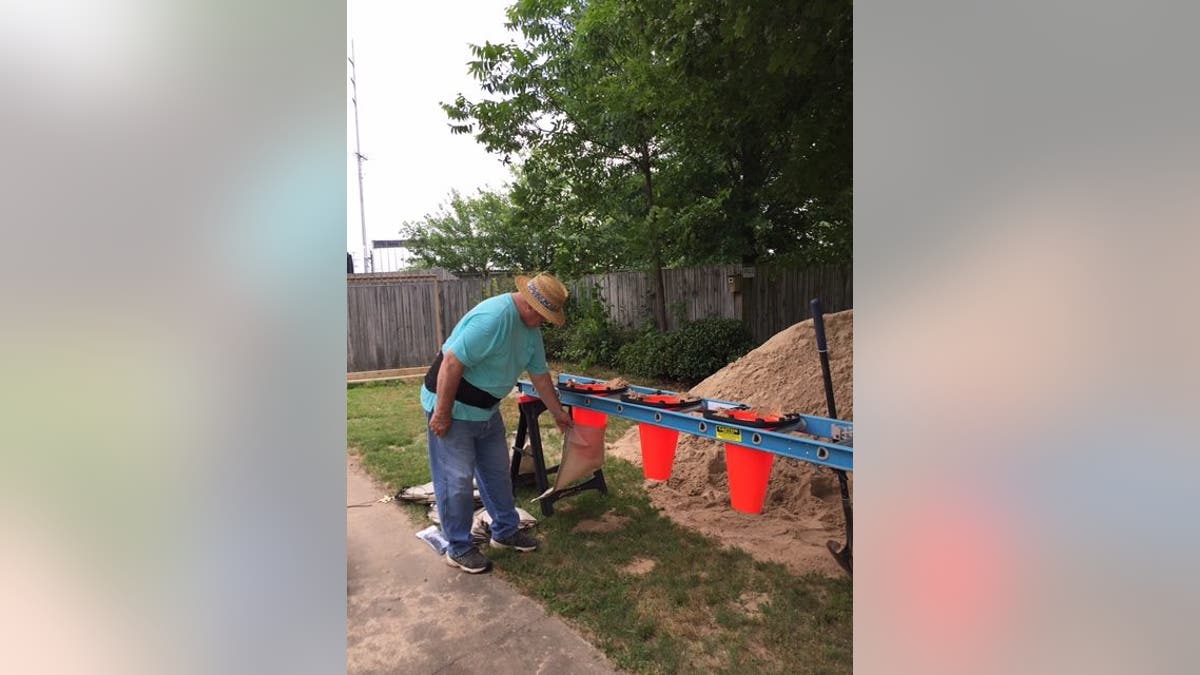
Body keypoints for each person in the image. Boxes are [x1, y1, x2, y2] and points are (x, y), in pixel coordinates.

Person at [421, 272, 574, 573]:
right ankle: (459, 547)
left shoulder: (531, 331)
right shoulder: (494, 318)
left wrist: (558, 413)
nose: (543, 322)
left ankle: (505, 531)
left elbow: (540, 378)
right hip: (453, 406)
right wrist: (441, 413)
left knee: (497, 472)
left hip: (485, 411)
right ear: (530, 306)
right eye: (543, 315)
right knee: (457, 481)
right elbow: (451, 363)